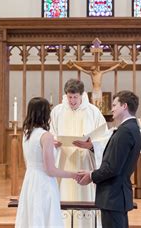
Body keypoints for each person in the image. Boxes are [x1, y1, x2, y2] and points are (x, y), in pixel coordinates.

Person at [50, 78, 109, 227]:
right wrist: (54, 142)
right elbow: (50, 133)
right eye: (69, 97)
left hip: (85, 161)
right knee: (63, 194)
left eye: (75, 97)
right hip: (64, 161)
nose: (72, 101)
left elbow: (103, 138)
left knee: (86, 197)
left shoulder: (93, 112)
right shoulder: (57, 111)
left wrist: (90, 145)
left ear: (82, 95)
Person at [78, 90, 141, 228]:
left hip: (113, 196)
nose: (111, 108)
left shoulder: (125, 131)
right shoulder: (131, 128)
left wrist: (91, 175)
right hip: (117, 195)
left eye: (114, 105)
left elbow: (113, 168)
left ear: (124, 106)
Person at [16, 97, 79, 228]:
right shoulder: (46, 136)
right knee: (46, 218)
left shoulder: (27, 133)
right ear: (45, 113)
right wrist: (73, 175)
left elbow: (31, 159)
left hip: (30, 180)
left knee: (32, 217)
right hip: (44, 183)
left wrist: (51, 147)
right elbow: (50, 170)